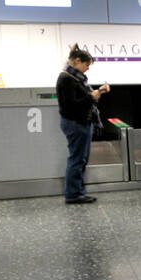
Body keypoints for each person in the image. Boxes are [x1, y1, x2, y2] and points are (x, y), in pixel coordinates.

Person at [56, 46, 108, 204]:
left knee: (81, 159)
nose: (87, 69)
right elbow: (70, 105)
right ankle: (73, 194)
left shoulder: (75, 78)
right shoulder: (66, 79)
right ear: (77, 61)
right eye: (87, 65)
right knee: (77, 159)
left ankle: (78, 192)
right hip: (75, 123)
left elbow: (82, 99)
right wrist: (92, 97)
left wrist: (98, 92)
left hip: (81, 122)